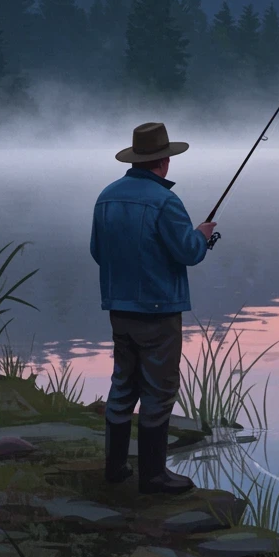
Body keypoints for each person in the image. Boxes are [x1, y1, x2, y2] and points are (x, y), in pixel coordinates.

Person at [90, 122, 217, 494]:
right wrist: (203, 235)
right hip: (158, 311)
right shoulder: (165, 201)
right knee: (159, 389)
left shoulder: (106, 196)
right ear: (163, 160)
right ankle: (153, 476)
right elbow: (189, 253)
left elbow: (98, 252)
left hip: (119, 308)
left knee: (123, 384)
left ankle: (114, 468)